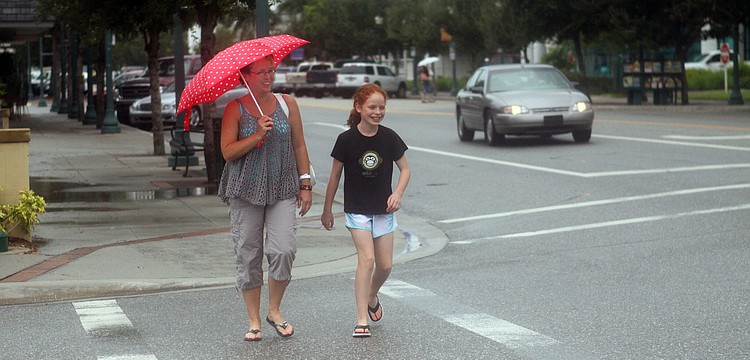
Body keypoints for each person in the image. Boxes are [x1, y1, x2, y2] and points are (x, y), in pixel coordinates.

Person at [218, 55, 313, 342]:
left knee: (283, 250)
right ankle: (254, 320)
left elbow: (299, 144)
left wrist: (305, 182)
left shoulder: (287, 104)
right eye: (261, 72)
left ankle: (274, 310)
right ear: (245, 76)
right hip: (245, 190)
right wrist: (257, 134)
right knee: (248, 255)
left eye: (271, 71)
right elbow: (227, 152)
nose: (268, 77)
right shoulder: (234, 109)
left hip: (283, 188)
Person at [320, 84, 411, 338]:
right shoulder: (346, 139)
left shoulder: (389, 137)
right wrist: (327, 210)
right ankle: (362, 319)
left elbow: (405, 169)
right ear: (359, 107)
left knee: (385, 265)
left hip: (383, 208)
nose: (378, 111)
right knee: (367, 259)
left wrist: (397, 193)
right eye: (372, 107)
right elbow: (334, 178)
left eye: (381, 107)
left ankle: (372, 294)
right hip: (357, 209)